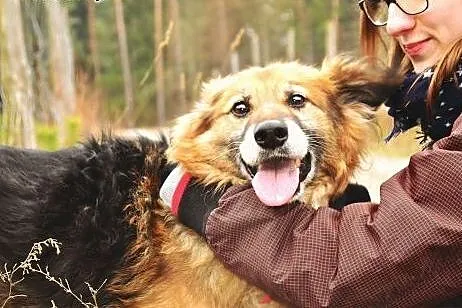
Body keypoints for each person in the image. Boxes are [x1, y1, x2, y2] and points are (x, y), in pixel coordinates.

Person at [161, 0, 462, 306]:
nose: (395, 23)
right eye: (240, 108)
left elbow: (359, 271)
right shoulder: (447, 111)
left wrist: (206, 204)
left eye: (296, 100)